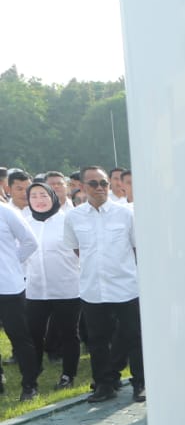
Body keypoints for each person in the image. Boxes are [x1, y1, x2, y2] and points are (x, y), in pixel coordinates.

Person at [63, 166, 143, 403]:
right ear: (83, 187)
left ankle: (140, 383)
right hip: (93, 289)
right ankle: (105, 384)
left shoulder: (125, 214)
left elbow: (137, 247)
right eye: (94, 184)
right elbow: (77, 248)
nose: (100, 188)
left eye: (104, 183)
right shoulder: (74, 217)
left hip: (126, 286)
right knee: (97, 341)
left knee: (133, 336)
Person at [23, 181, 82, 390]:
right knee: (34, 333)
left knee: (68, 333)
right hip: (36, 290)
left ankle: (68, 374)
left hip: (67, 288)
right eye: (34, 196)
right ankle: (32, 375)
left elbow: (81, 251)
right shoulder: (25, 222)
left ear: (53, 197)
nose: (39, 200)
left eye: (43, 195)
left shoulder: (68, 220)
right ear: (28, 200)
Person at [0, 191, 39, 399]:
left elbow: (30, 242)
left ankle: (30, 385)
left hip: (9, 287)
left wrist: (13, 264)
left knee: (19, 337)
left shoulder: (6, 212)